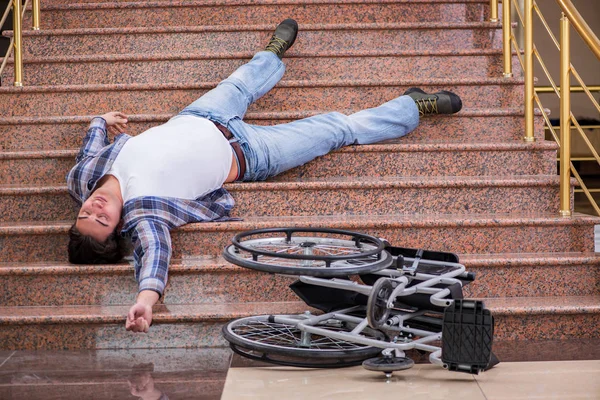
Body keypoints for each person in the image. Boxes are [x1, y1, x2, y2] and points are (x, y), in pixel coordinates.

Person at [66, 19, 462, 333]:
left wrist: (102, 120)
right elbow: (154, 255)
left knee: (242, 80)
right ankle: (412, 106)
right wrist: (146, 301)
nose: (97, 208)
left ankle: (273, 52)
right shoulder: (143, 212)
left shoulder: (84, 177)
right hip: (250, 152)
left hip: (199, 115)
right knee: (333, 130)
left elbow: (89, 144)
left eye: (87, 214)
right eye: (103, 221)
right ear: (118, 226)